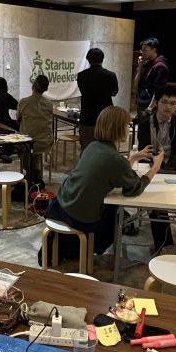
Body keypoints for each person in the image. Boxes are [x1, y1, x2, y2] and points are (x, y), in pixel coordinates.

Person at [41, 106, 163, 264]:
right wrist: (155, 168)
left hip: (62, 204)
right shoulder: (115, 159)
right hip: (80, 217)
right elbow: (134, 188)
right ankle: (107, 242)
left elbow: (111, 170)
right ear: (118, 128)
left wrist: (132, 158)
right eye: (126, 125)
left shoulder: (93, 146)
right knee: (115, 210)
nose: (128, 129)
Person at [136, 85, 176, 252]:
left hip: (171, 168)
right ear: (157, 103)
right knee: (157, 202)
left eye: (173, 103)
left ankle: (164, 244)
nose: (168, 107)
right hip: (149, 167)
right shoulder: (145, 123)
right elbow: (144, 150)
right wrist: (156, 165)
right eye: (164, 102)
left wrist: (166, 167)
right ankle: (165, 245)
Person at [76, 47, 118, 149]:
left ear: (88, 59)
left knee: (87, 149)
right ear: (102, 59)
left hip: (87, 117)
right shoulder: (111, 75)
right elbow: (114, 93)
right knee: (106, 148)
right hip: (106, 118)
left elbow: (83, 91)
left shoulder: (81, 75)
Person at [16, 74, 54, 186]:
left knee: (24, 145)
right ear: (45, 88)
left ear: (33, 86)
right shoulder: (49, 104)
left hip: (28, 142)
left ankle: (30, 173)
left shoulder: (23, 102)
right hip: (45, 141)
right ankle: (35, 173)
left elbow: (18, 119)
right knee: (35, 148)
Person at [133, 37, 169, 112]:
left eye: (145, 50)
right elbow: (136, 84)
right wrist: (140, 67)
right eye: (142, 50)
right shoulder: (146, 63)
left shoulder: (160, 66)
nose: (143, 52)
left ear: (154, 50)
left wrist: (150, 107)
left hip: (151, 105)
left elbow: (158, 90)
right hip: (141, 102)